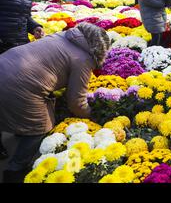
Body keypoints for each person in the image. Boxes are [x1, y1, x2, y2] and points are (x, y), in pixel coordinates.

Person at [0, 22, 110, 183]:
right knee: (40, 126)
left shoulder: (61, 36)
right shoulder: (83, 58)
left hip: (4, 63)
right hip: (17, 84)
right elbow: (76, 102)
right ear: (100, 49)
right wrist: (93, 116)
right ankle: (14, 171)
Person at [0, 0, 45, 161]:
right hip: (1, 47)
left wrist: (34, 26)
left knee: (15, 92)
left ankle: (19, 127)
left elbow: (22, 14)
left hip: (18, 45)